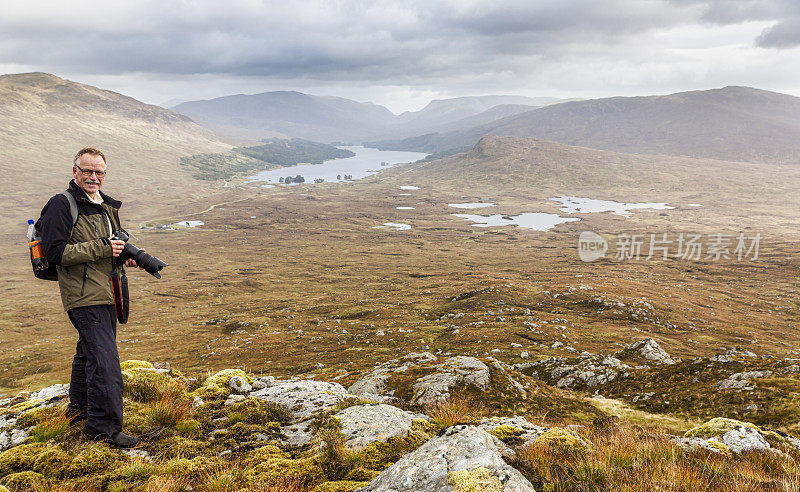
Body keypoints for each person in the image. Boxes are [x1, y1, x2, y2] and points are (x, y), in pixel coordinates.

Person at [37, 147, 140, 448]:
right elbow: (56, 253)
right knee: (105, 361)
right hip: (83, 296)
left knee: (88, 354)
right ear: (75, 172)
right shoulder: (61, 204)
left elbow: (111, 247)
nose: (93, 177)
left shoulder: (105, 207)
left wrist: (126, 257)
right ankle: (103, 428)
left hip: (109, 292)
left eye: (99, 172)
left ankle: (79, 412)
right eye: (87, 171)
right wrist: (104, 248)